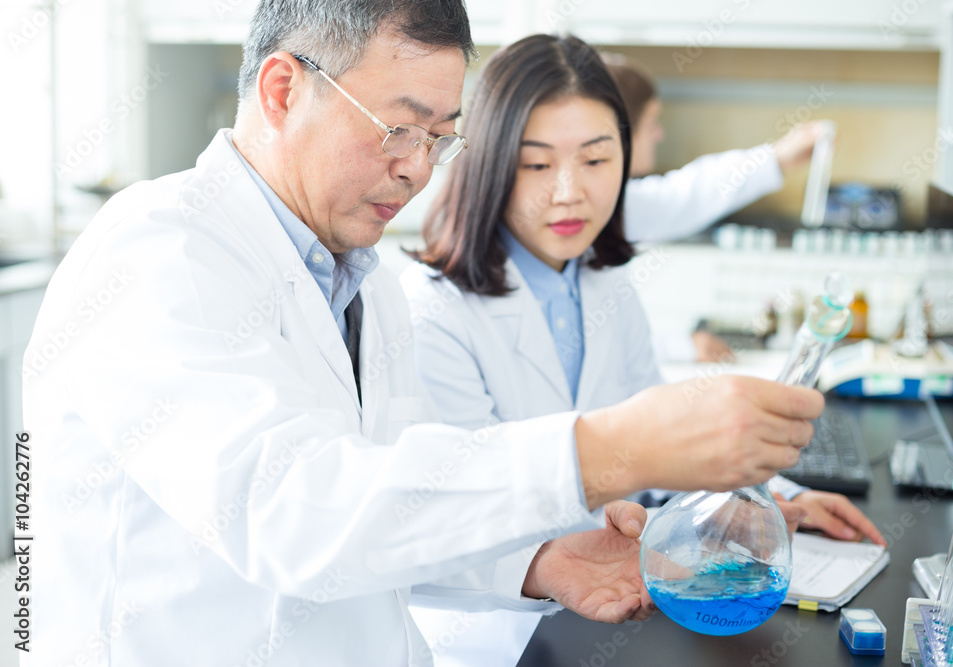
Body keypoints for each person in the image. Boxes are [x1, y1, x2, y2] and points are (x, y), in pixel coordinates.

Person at [22, 3, 825, 664]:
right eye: (398, 128)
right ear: (280, 90)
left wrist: (538, 560)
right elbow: (293, 514)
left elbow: (394, 504)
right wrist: (603, 450)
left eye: (441, 138)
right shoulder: (158, 251)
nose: (418, 169)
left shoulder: (362, 276)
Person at [401, 34, 885, 667]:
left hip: (610, 611)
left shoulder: (603, 283)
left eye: (597, 161)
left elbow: (655, 456)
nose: (570, 192)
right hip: (499, 636)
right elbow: (466, 512)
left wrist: (772, 502)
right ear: (490, 163)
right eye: (537, 164)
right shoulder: (432, 312)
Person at [603, 52, 828, 362]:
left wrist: (777, 158)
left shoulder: (616, 202)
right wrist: (680, 347)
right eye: (652, 122)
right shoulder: (588, 213)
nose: (659, 133)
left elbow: (685, 195)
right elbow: (593, 341)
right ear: (622, 131)